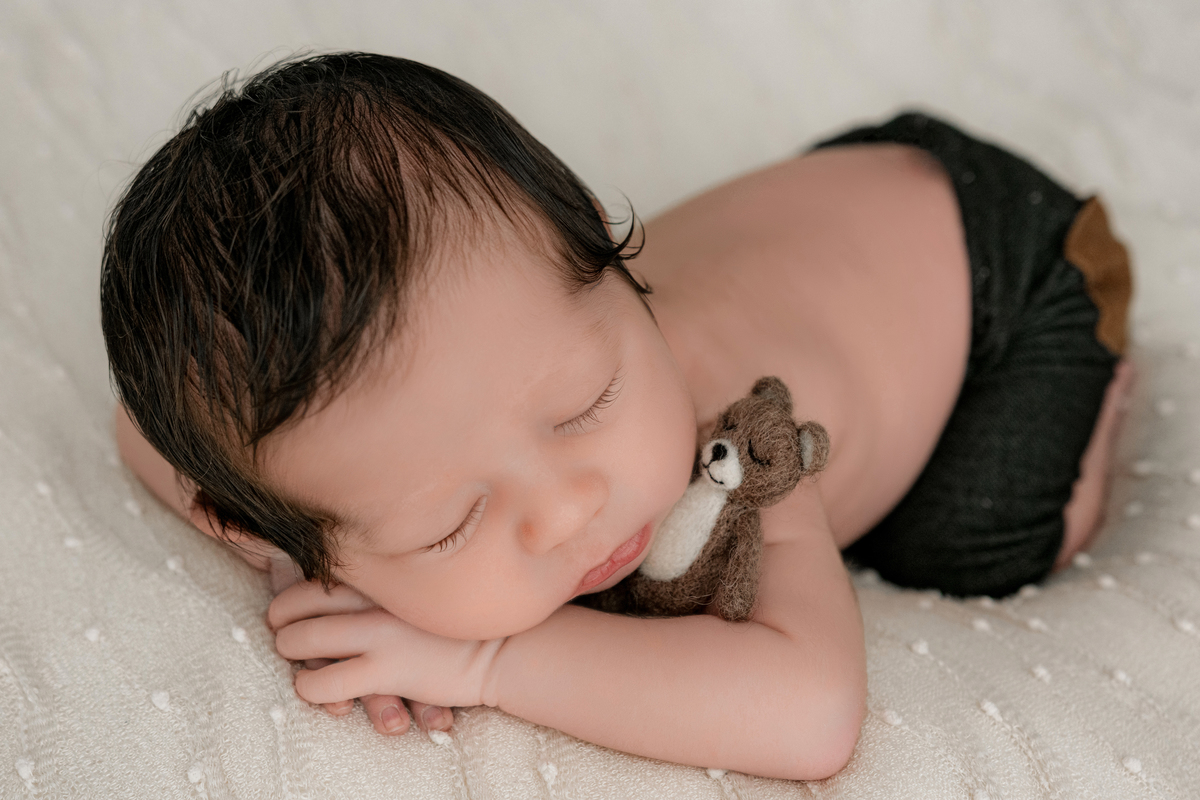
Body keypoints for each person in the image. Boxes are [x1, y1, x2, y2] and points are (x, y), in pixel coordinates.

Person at [102, 52, 1133, 781]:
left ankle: (1103, 367)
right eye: (447, 520)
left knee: (970, 539)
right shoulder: (521, 353)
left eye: (584, 406)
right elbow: (148, 430)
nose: (570, 506)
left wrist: (485, 659)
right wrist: (304, 555)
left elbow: (811, 711)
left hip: (1008, 280)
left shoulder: (729, 428)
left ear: (607, 244)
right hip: (836, 216)